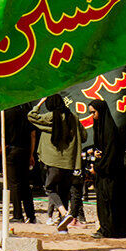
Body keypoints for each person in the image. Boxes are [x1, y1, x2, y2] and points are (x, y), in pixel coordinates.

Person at [88, 99, 126, 238]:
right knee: (105, 202)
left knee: (111, 202)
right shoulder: (99, 127)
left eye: (94, 113)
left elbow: (112, 153)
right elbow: (103, 148)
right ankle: (107, 229)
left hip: (111, 173)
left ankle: (111, 230)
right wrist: (96, 153)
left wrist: (98, 168)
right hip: (104, 173)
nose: (92, 116)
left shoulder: (110, 130)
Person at [28, 95, 85, 231]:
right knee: (64, 192)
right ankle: (63, 227)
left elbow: (31, 116)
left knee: (50, 188)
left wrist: (39, 103)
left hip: (53, 161)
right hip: (70, 162)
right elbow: (83, 136)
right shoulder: (73, 118)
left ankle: (65, 214)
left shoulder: (49, 117)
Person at [0, 103, 37, 223]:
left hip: (11, 150)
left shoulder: (4, 112)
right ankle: (30, 214)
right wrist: (31, 153)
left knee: (14, 183)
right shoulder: (26, 112)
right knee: (25, 183)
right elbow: (33, 134)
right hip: (25, 150)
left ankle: (18, 214)